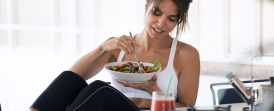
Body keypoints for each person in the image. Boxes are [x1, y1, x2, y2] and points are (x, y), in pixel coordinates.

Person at [30, 0, 199, 110]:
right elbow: (71, 77)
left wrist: (151, 95)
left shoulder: (185, 54)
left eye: (171, 18)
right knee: (70, 80)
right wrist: (103, 47)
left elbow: (187, 107)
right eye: (157, 12)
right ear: (146, 6)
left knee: (101, 89)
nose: (161, 23)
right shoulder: (119, 46)